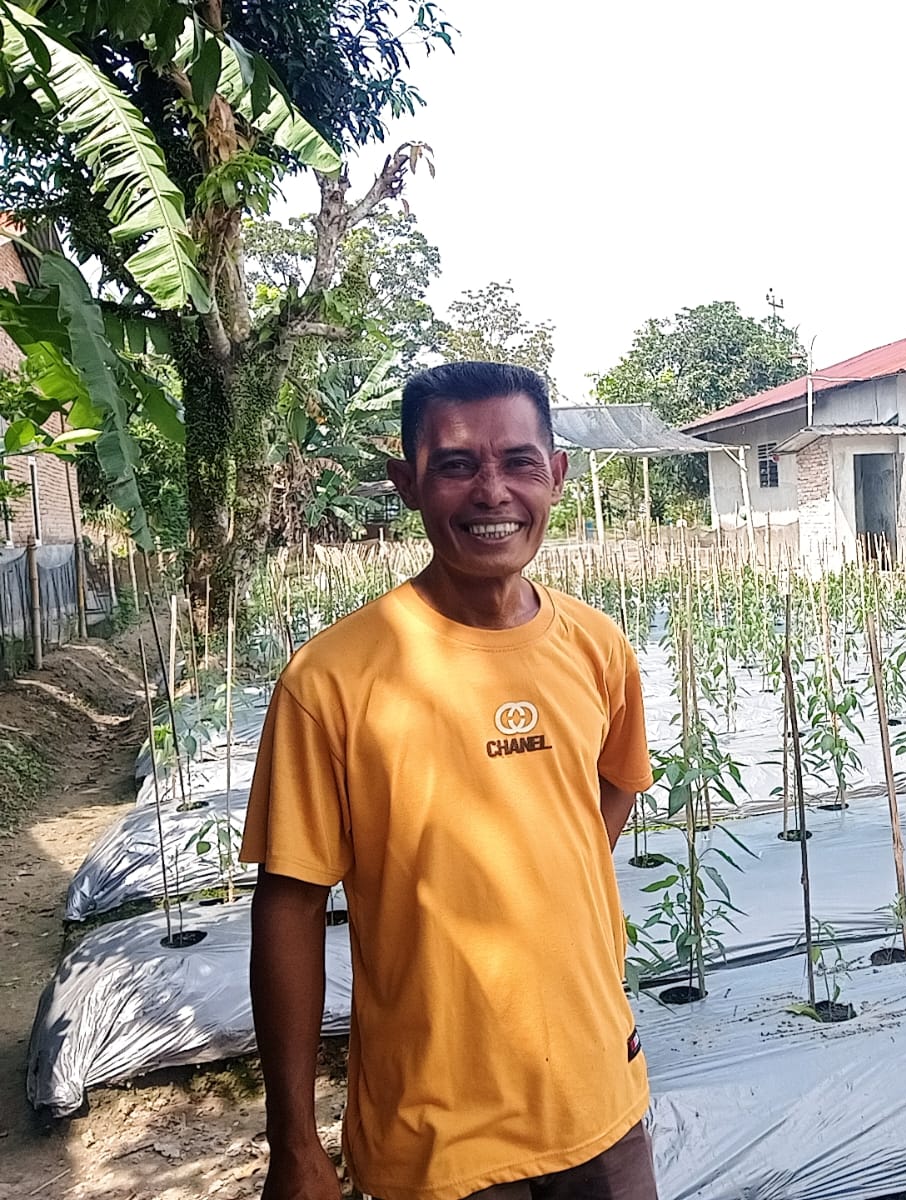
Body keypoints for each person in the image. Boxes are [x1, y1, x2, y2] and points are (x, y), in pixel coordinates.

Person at [242, 362, 658, 1200]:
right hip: (434, 1131)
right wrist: (294, 1141)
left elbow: (616, 784)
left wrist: (544, 876)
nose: (491, 492)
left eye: (519, 462)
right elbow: (288, 904)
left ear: (557, 475)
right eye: (456, 465)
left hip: (600, 1099)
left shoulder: (596, 647)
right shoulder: (332, 679)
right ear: (407, 485)